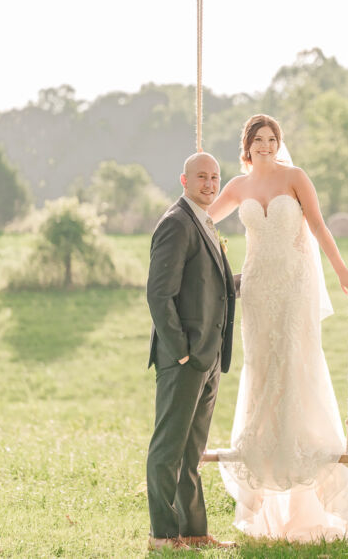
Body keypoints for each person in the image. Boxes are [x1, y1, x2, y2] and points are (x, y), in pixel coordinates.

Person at [207, 114, 348, 541]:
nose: (266, 146)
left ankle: (308, 465)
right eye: (258, 140)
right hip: (258, 286)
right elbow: (203, 220)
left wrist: (341, 269)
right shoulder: (237, 186)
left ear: (278, 143)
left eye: (272, 139)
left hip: (294, 285)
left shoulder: (295, 177)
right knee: (264, 368)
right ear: (246, 146)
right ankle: (268, 464)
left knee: (294, 365)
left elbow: (319, 226)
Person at [145, 152, 237, 551]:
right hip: (184, 359)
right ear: (184, 180)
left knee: (192, 451)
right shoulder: (176, 223)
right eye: (202, 176)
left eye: (215, 177)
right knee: (168, 448)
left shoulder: (205, 222)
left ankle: (194, 533)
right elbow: (159, 293)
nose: (210, 184)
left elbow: (210, 283)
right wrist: (181, 352)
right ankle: (162, 537)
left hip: (210, 357)